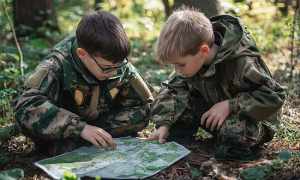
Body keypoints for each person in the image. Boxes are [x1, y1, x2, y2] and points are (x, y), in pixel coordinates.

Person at [147, 8, 285, 160]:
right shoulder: (192, 60)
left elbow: (274, 96)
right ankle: (187, 143)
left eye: (180, 65)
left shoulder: (242, 62)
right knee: (173, 120)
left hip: (253, 119)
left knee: (234, 135)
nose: (177, 70)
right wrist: (164, 125)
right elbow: (173, 90)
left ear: (203, 50)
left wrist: (231, 105)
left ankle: (232, 151)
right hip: (214, 111)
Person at [14, 10, 154, 155]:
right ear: (83, 54)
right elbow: (25, 106)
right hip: (65, 126)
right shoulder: (55, 65)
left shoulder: (115, 60)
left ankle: (93, 140)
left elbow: (142, 104)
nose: (114, 72)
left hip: (100, 122)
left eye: (119, 66)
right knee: (43, 132)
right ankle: (74, 143)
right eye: (106, 68)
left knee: (142, 113)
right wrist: (79, 128)